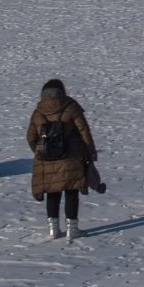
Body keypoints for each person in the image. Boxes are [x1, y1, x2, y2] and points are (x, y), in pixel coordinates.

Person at [28, 79, 97, 241]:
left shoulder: (38, 112)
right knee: (71, 191)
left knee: (52, 192)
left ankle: (53, 230)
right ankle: (72, 229)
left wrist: (41, 151)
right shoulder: (71, 107)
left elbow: (30, 137)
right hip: (71, 159)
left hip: (46, 161)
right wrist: (90, 154)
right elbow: (84, 133)